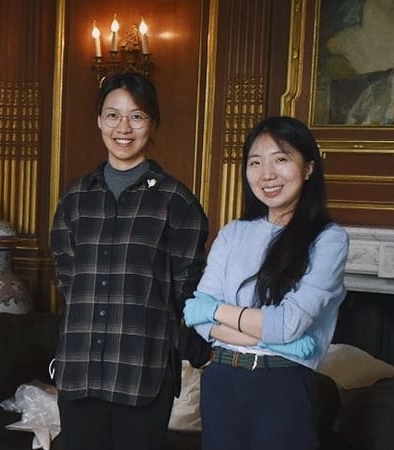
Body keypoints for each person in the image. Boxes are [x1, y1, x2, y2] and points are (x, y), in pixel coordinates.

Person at [50, 72, 210, 450]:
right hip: (80, 371)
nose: (123, 128)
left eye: (136, 116)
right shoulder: (75, 200)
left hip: (144, 372)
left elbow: (187, 290)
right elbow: (69, 282)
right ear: (99, 121)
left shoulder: (176, 201)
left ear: (152, 123)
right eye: (112, 115)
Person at [183, 116, 349, 450]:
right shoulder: (233, 233)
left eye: (281, 159)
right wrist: (276, 337)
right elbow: (196, 319)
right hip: (221, 382)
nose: (267, 174)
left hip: (282, 386)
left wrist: (217, 311)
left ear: (308, 168)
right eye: (255, 162)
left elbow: (287, 324)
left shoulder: (328, 240)